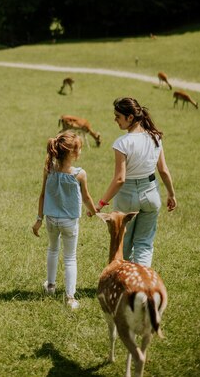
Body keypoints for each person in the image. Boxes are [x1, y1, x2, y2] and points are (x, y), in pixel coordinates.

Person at [93, 97, 177, 267]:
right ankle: (141, 284)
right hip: (151, 194)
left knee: (123, 243)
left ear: (130, 117)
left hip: (127, 197)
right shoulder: (155, 138)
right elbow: (163, 170)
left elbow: (120, 179)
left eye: (118, 116)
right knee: (144, 243)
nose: (115, 120)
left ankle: (124, 282)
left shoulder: (122, 143)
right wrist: (171, 194)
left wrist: (101, 203)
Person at [32, 130, 97, 309]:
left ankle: (51, 286)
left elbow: (43, 195)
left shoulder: (49, 170)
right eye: (79, 149)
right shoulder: (79, 174)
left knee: (52, 250)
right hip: (69, 222)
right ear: (73, 153)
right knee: (70, 258)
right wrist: (94, 211)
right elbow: (86, 198)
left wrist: (39, 219)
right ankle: (70, 298)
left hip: (51, 220)